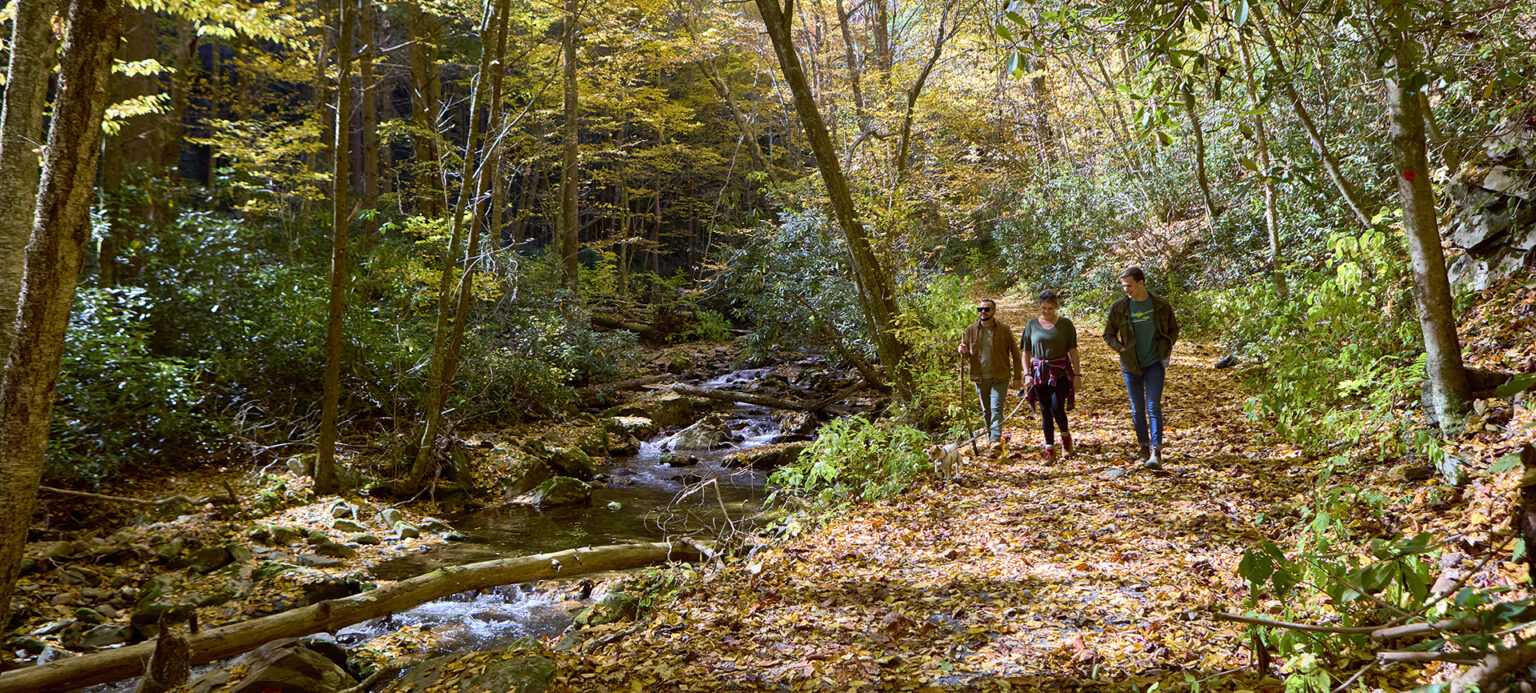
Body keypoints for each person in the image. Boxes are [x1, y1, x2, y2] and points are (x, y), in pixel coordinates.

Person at [1103, 267, 1180, 467]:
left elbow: (1173, 329)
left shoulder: (1160, 305)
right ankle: (1143, 447)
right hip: (1130, 366)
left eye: (1129, 285)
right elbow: (1108, 334)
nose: (1126, 289)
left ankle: (1157, 451)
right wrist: (1120, 348)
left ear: (1141, 282)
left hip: (1154, 363)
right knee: (1137, 409)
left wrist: (1166, 347)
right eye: (1123, 286)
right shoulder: (1120, 308)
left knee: (1153, 406)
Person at [1021, 290, 1081, 460]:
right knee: (1045, 410)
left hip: (1060, 371)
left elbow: (1073, 351)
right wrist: (1027, 374)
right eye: (1043, 308)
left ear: (1056, 307)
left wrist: (1077, 375)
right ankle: (1049, 449)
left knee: (1057, 407)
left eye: (1050, 309)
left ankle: (1066, 437)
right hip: (1039, 373)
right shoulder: (1031, 325)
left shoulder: (1066, 324)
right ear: (1039, 306)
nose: (1046, 312)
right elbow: (1025, 352)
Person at [958, 299, 1023, 449]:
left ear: (994, 311)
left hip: (1000, 376)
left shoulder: (1004, 330)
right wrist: (963, 352)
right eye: (980, 309)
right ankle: (991, 438)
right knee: (987, 410)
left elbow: (1015, 353)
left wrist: (1017, 377)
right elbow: (966, 355)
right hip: (980, 377)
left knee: (996, 408)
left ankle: (994, 440)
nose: (983, 312)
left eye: (987, 309)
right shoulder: (970, 330)